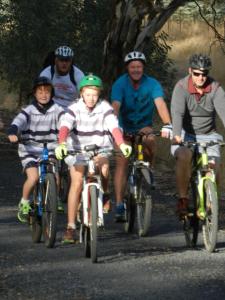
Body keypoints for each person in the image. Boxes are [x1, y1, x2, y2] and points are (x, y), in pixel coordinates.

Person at [55, 74, 132, 243]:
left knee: (104, 168)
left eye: (95, 94)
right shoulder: (73, 107)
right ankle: (70, 227)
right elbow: (65, 126)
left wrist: (121, 143)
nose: (91, 98)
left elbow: (113, 126)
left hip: (100, 148)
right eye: (88, 94)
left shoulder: (105, 107)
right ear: (81, 93)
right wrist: (61, 143)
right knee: (76, 182)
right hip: (77, 150)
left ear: (99, 95)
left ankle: (105, 194)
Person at [111, 51, 172, 222]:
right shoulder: (120, 84)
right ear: (127, 68)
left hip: (144, 127)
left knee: (150, 140)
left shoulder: (152, 84)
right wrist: (114, 127)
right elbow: (115, 106)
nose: (136, 69)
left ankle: (149, 169)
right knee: (122, 162)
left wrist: (167, 124)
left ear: (143, 68)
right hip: (123, 128)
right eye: (132, 67)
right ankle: (119, 205)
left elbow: (160, 103)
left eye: (139, 66)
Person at [171, 53, 225, 217]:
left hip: (209, 134)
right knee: (183, 155)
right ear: (190, 71)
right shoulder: (181, 87)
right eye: (197, 73)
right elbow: (177, 113)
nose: (201, 77)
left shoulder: (215, 87)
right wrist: (177, 136)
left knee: (214, 165)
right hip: (185, 133)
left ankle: (211, 202)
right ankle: (183, 199)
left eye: (204, 73)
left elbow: (223, 111)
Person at [8, 77, 64, 223]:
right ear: (34, 93)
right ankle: (24, 203)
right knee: (33, 178)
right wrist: (13, 132)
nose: (44, 94)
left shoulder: (57, 109)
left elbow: (66, 121)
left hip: (50, 148)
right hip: (29, 149)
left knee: (55, 173)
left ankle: (54, 198)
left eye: (47, 91)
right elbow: (18, 122)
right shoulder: (29, 110)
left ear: (52, 93)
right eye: (40, 92)